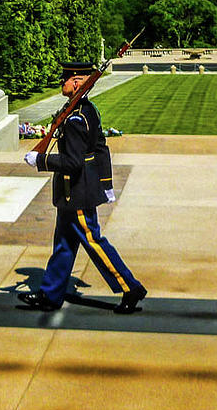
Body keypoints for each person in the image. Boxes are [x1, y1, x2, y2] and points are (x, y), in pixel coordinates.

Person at [18, 60, 147, 313]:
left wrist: (41, 160)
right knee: (64, 244)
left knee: (94, 242)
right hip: (73, 192)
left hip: (77, 192)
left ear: (77, 82)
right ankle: (50, 294)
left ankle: (130, 287)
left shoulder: (77, 118)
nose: (61, 83)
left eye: (65, 78)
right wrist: (105, 182)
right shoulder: (86, 109)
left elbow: (73, 162)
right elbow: (99, 149)